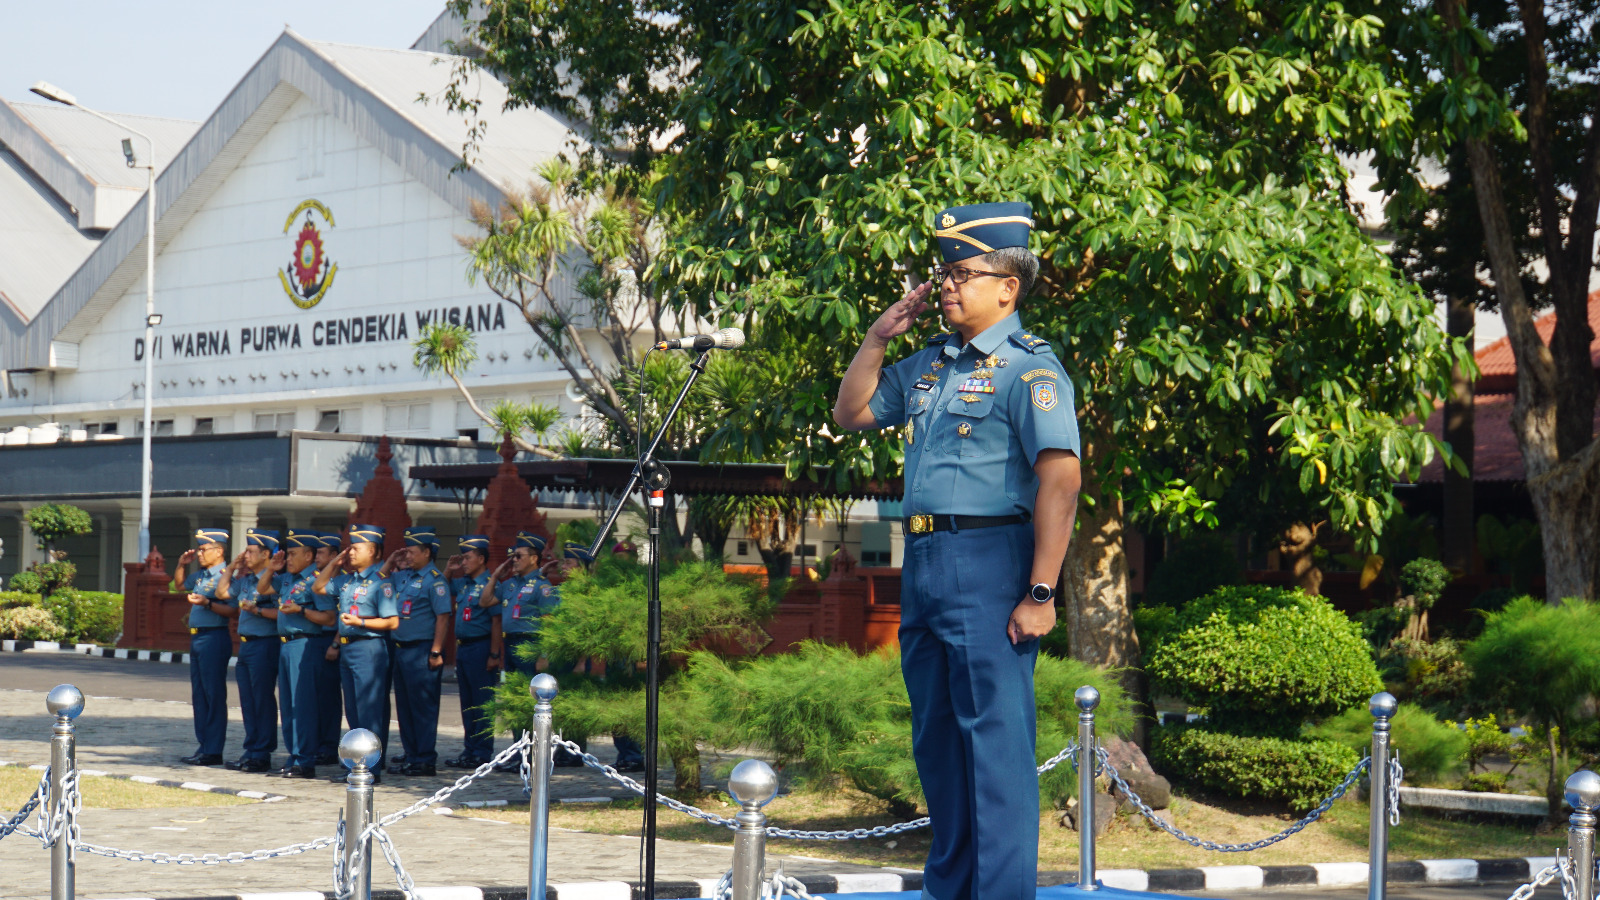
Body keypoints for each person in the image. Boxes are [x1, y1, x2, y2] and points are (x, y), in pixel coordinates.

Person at [832, 202, 1082, 900]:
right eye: (944, 272)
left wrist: (1040, 593)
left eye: (963, 273)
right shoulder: (929, 365)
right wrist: (880, 336)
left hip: (992, 561)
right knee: (939, 747)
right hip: (928, 564)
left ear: (1008, 285)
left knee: (995, 751)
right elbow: (850, 413)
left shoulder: (1030, 370)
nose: (946, 285)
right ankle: (951, 890)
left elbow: (1060, 480)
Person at [314, 523, 398, 783]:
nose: (351, 552)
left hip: (369, 647)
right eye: (349, 548)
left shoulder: (380, 584)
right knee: (353, 710)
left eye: (357, 548)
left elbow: (392, 622)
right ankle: (358, 765)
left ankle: (369, 769)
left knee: (369, 710)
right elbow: (318, 587)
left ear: (373, 551)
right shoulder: (346, 580)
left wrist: (360, 622)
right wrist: (335, 563)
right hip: (349, 648)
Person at [382, 525, 453, 776]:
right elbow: (379, 580)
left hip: (422, 650)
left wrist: (436, 651)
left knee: (423, 707)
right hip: (401, 650)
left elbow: (442, 618)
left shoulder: (436, 581)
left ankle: (424, 758)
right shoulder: (404, 577)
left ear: (426, 552)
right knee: (405, 707)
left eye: (412, 552)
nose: (408, 557)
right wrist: (391, 560)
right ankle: (412, 755)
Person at [216, 528, 285, 772]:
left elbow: (282, 612)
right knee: (248, 700)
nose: (246, 555)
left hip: (266, 643)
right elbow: (221, 592)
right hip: (246, 645)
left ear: (266, 554)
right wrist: (232, 566)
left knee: (262, 699)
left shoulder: (275, 581)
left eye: (251, 551)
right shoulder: (245, 581)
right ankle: (251, 749)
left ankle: (262, 752)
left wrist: (257, 611)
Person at [271, 529, 333, 778]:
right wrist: (271, 567)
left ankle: (305, 760)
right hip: (286, 645)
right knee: (287, 705)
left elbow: (329, 618)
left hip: (305, 644)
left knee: (302, 704)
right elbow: (264, 587)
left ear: (309, 555)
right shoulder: (287, 579)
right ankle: (294, 755)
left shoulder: (315, 582)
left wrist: (301, 611)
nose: (289, 559)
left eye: (294, 554)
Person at [175, 528, 235, 766]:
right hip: (197, 638)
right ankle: (203, 745)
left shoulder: (225, 575)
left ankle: (214, 749)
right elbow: (180, 585)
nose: (200, 553)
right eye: (199, 549)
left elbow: (231, 610)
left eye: (204, 549)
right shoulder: (200, 576)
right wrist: (181, 564)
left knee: (213, 694)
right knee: (199, 695)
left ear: (219, 551)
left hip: (214, 638)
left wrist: (207, 603)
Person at [443, 534, 500, 768]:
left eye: (467, 558)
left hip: (481, 646)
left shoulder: (490, 585)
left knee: (482, 702)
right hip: (463, 648)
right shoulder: (464, 584)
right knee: (467, 703)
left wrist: (494, 655)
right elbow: (442, 588)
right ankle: (469, 750)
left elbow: (497, 622)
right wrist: (449, 569)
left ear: (481, 559)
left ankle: (482, 752)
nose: (464, 563)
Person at [311, 532, 344, 766]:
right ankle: (319, 743)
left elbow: (338, 617)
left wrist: (334, 643)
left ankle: (329, 746)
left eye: (321, 553)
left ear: (334, 556)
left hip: (331, 640)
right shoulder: (323, 580)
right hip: (319, 640)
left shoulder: (342, 581)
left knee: (329, 698)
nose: (316, 557)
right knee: (317, 697)